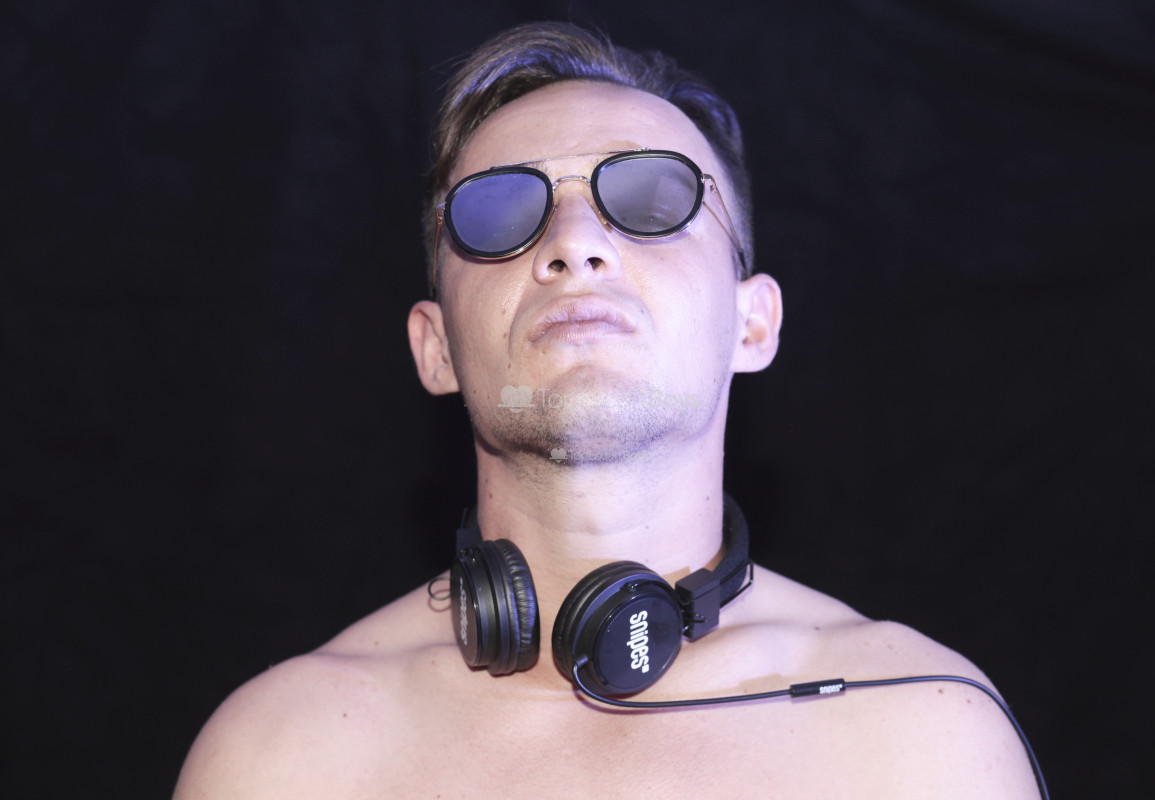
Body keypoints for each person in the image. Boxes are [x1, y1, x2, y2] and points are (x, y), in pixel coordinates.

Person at [174, 21, 1044, 799]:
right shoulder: (280, 756)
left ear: (752, 324)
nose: (575, 243)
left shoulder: (920, 735)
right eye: (501, 212)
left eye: (653, 200)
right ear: (435, 348)